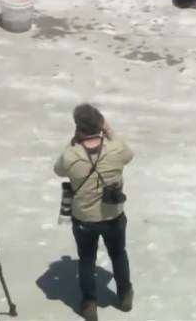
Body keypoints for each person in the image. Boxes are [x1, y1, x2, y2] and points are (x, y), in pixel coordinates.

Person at [53, 104, 134, 321]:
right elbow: (129, 155)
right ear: (100, 125)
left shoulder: (71, 154)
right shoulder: (115, 148)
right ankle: (124, 294)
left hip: (84, 218)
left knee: (86, 259)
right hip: (113, 214)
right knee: (118, 254)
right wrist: (110, 131)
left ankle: (90, 303)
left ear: (78, 128)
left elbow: (58, 170)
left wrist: (73, 141)